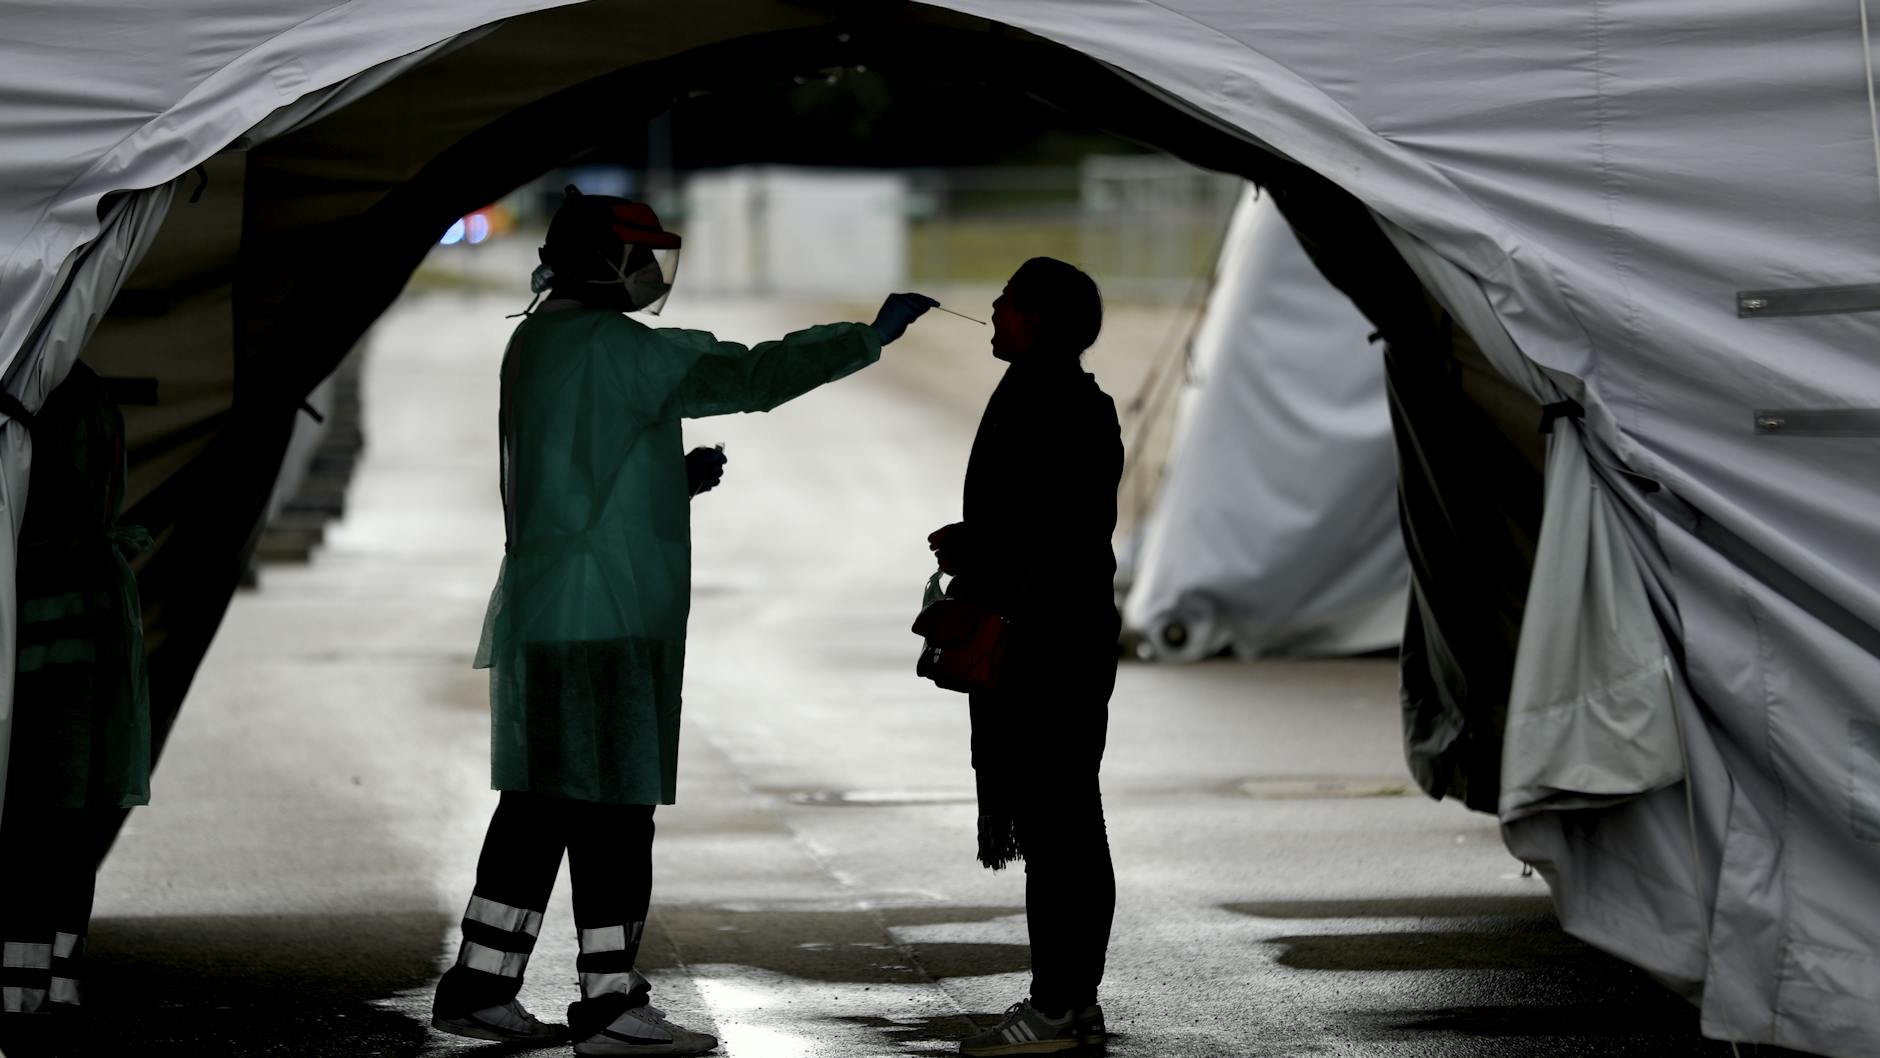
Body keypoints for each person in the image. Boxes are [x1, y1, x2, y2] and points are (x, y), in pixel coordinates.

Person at [430, 186, 935, 1057]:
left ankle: (479, 984)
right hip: (612, 614)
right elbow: (745, 374)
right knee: (616, 808)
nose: (649, 274)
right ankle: (610, 1005)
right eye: (639, 257)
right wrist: (866, 339)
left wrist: (667, 475)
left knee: (540, 803)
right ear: (604, 261)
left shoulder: (534, 340)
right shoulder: (620, 349)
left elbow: (578, 464)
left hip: (547, 606)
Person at [927, 258, 1123, 1057]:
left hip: (1047, 644)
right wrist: (976, 543)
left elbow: (1056, 533)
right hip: (1059, 636)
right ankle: (1072, 1002)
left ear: (1038, 318)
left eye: (1008, 301)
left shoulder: (1052, 402)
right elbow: (1043, 520)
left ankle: (1058, 1004)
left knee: (1059, 824)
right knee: (1067, 819)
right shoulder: (1059, 395)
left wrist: (986, 562)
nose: (997, 311)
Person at [0, 361, 152, 1037]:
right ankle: (52, 985)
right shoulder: (78, 388)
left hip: (42, 620)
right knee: (65, 817)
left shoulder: (35, 389)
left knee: (36, 814)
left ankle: (23, 992)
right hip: (84, 625)